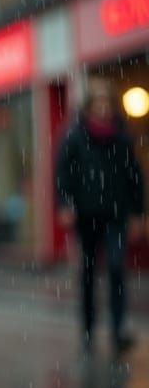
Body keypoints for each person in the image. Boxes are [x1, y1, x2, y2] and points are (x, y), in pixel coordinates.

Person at [55, 77, 143, 356]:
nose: (104, 108)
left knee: (117, 268)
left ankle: (118, 330)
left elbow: (134, 177)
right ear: (89, 105)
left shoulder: (121, 137)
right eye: (99, 102)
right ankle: (89, 328)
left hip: (116, 213)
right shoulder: (75, 137)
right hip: (87, 215)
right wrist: (65, 203)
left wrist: (139, 212)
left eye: (108, 102)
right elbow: (63, 175)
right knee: (89, 272)